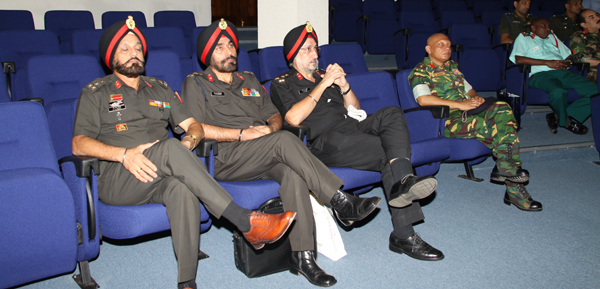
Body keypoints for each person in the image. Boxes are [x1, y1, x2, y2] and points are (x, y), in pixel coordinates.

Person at [72, 18, 297, 289]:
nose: (134, 53)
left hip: (159, 172)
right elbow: (79, 144)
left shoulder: (160, 88)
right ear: (111, 58)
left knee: (180, 188)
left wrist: (189, 141)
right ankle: (243, 220)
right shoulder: (95, 93)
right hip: (120, 177)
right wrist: (124, 154)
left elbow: (193, 126)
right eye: (125, 49)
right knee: (170, 146)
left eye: (138, 48)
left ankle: (187, 281)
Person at [182, 19, 381, 288]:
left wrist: (270, 129)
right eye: (220, 47)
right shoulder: (196, 83)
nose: (228, 51)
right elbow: (196, 127)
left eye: (231, 45)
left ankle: (303, 256)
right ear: (207, 55)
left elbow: (274, 115)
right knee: (285, 140)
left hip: (262, 150)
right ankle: (338, 199)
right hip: (226, 156)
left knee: (293, 172)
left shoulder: (248, 79)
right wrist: (242, 134)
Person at [269, 23, 443, 262]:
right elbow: (293, 118)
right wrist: (323, 84)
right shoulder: (282, 83)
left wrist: (344, 86)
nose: (314, 54)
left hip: (351, 126)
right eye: (307, 49)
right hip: (323, 141)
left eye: (315, 48)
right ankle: (404, 234)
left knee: (392, 113)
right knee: (387, 153)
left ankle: (404, 180)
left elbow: (355, 108)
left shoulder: (324, 75)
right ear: (293, 55)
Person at [408, 33, 542, 212]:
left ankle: (506, 168)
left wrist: (475, 98)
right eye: (441, 45)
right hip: (446, 120)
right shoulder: (421, 70)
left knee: (502, 107)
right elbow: (423, 100)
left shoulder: (452, 67)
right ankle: (513, 187)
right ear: (428, 49)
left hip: (470, 112)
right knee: (499, 129)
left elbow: (469, 89)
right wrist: (460, 105)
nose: (447, 48)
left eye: (448, 45)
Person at [510, 18, 597, 135]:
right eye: (543, 26)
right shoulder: (524, 38)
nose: (548, 29)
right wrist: (547, 62)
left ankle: (560, 115)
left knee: (596, 91)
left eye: (548, 26)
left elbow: (569, 55)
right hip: (540, 75)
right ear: (533, 28)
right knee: (558, 92)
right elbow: (519, 59)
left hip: (563, 73)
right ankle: (566, 121)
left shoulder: (552, 37)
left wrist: (568, 62)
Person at [569, 9, 600, 83]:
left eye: (597, 15)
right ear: (584, 25)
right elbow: (580, 58)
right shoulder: (579, 37)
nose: (598, 18)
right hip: (594, 73)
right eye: (592, 17)